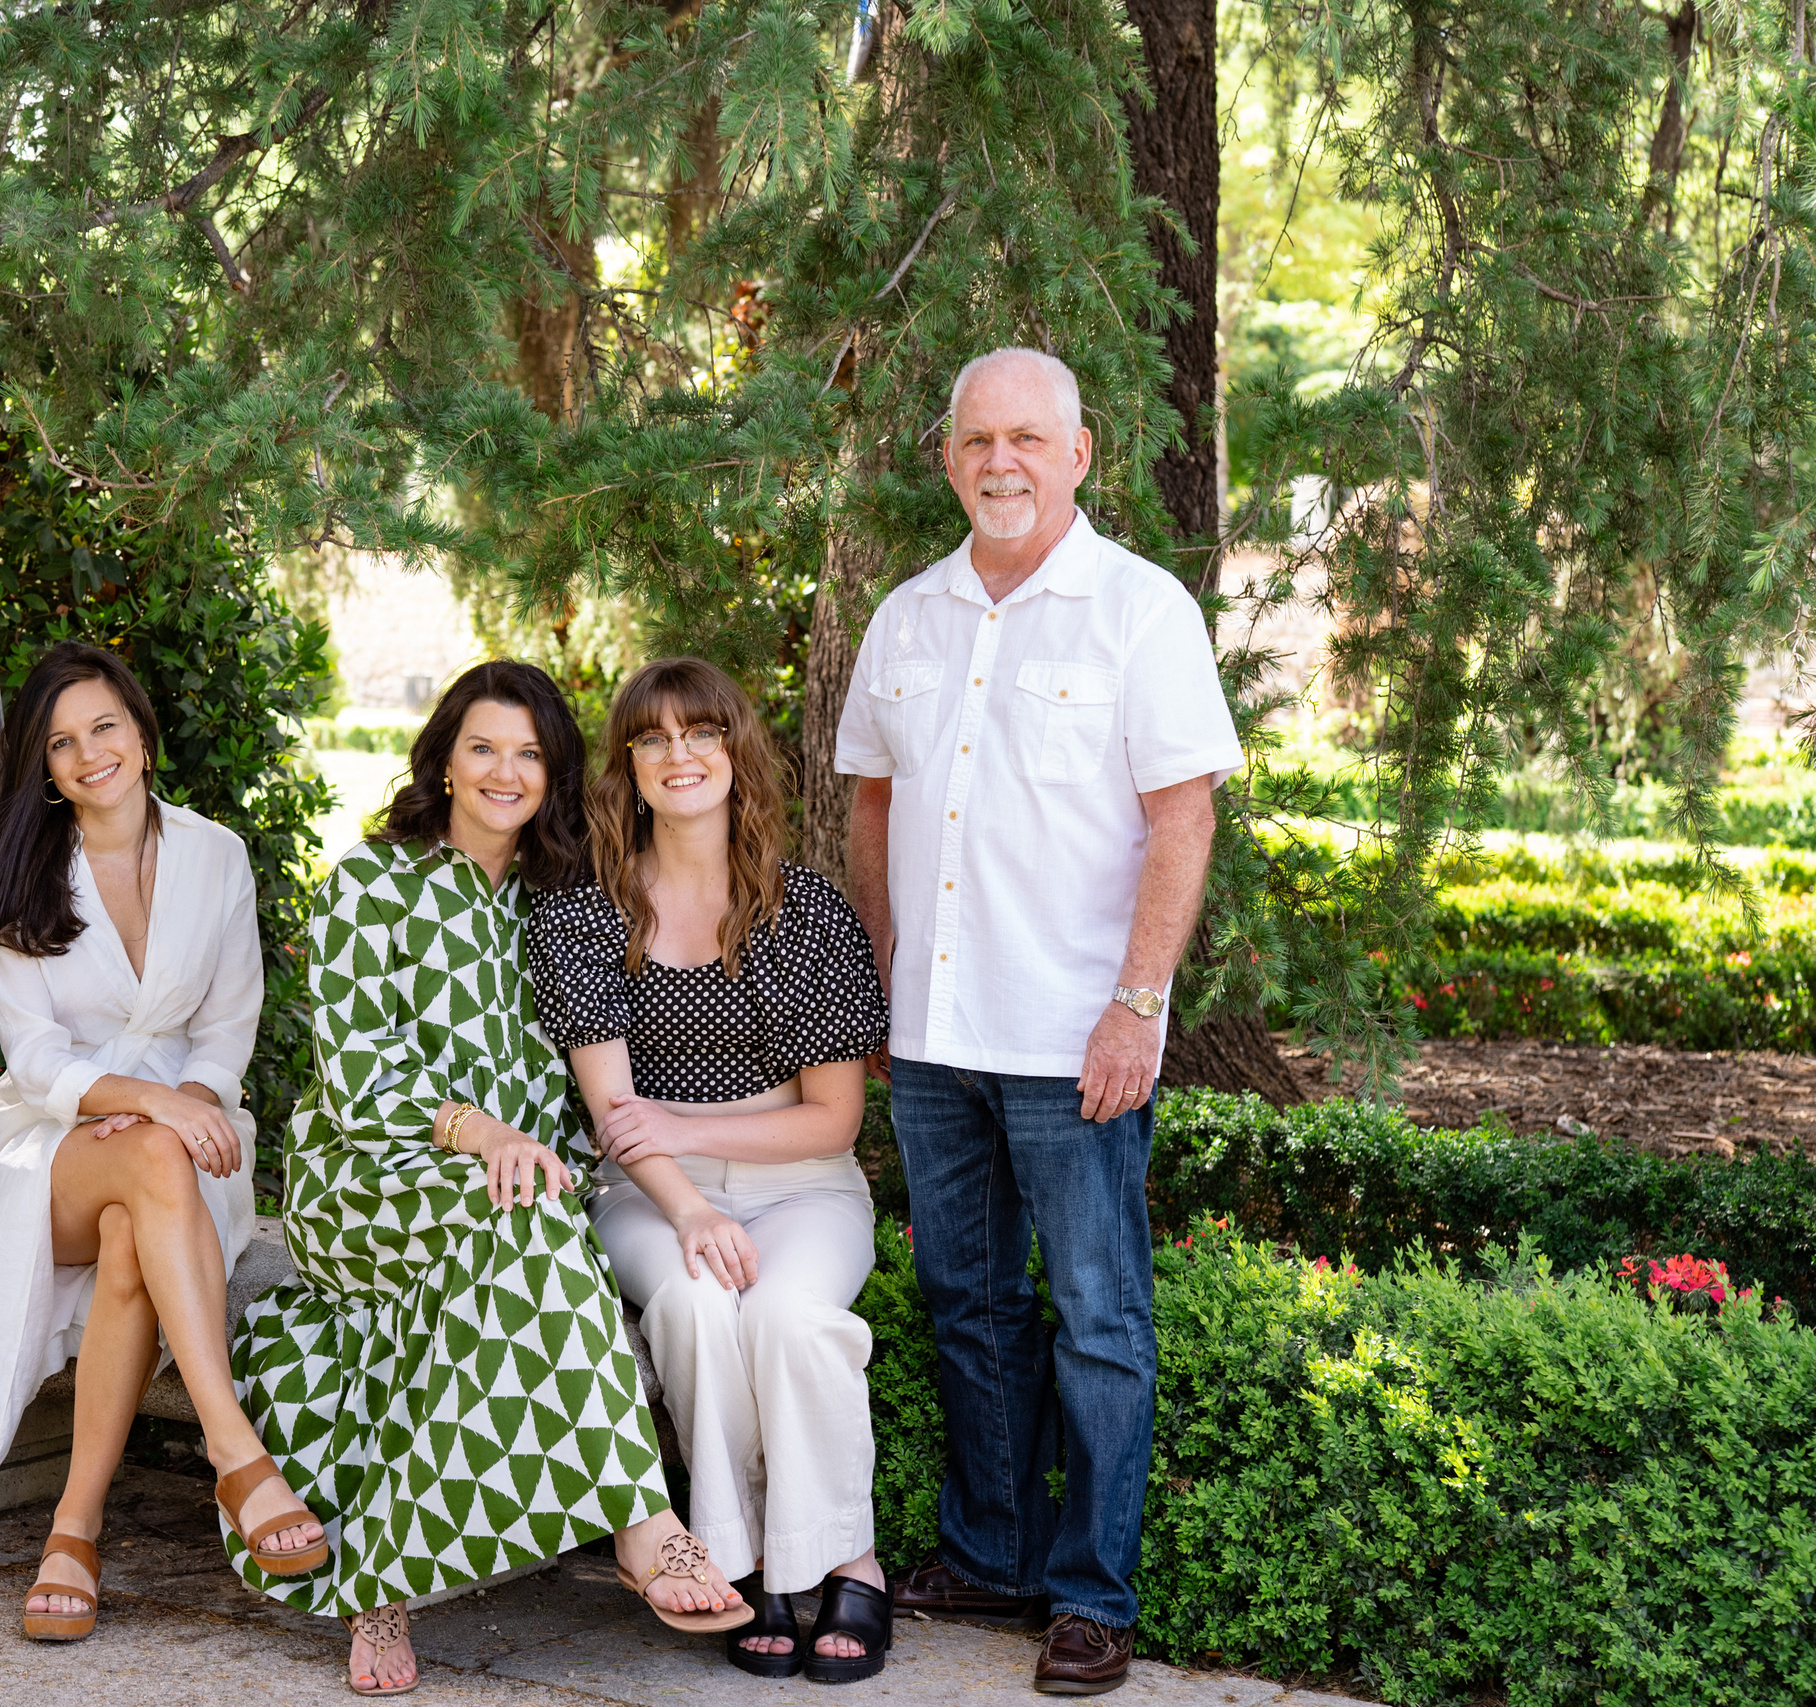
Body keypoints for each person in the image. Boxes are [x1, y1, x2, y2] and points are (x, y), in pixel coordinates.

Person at [836, 347, 1244, 1696]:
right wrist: (890, 981)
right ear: (948, 457)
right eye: (975, 441)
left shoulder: (1139, 609)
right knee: (964, 1301)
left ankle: (1089, 1593)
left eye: (1026, 438)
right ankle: (993, 1546)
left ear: (1078, 453)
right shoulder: (908, 616)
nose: (998, 461)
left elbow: (1182, 816)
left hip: (1077, 1041)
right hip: (938, 1040)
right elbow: (873, 810)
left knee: (1096, 1317)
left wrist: (1138, 1006)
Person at [230, 660, 751, 1696]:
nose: (503, 772)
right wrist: (481, 1136)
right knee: (523, 1210)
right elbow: (357, 1067)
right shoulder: (371, 883)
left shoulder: (563, 904)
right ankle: (645, 1525)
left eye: (528, 753)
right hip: (365, 1176)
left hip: (524, 1186)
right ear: (444, 758)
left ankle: (376, 1586)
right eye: (482, 748)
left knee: (523, 1220)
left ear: (555, 773)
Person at [0, 642, 326, 1642]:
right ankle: (237, 1454)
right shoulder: (19, 875)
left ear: (141, 736)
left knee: (133, 1237)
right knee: (147, 1163)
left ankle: (74, 1530)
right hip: (47, 1143)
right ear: (45, 769)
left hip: (190, 1136)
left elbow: (231, 1023)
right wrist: (145, 1105)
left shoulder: (216, 855)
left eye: (103, 727)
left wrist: (180, 1101)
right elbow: (37, 1060)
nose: (86, 753)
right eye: (60, 742)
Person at [527, 658, 893, 1683]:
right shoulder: (585, 911)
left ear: (737, 752)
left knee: (789, 1319)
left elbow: (830, 1123)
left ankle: (841, 1557)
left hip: (801, 1187)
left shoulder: (807, 912)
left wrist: (680, 1120)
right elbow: (610, 1113)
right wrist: (686, 1206)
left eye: (701, 734)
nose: (678, 756)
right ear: (628, 767)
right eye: (652, 739)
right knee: (692, 1307)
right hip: (645, 1195)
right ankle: (741, 1565)